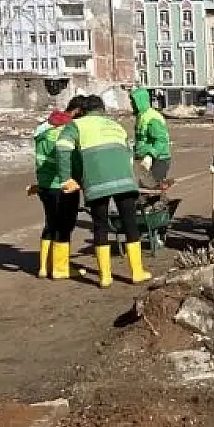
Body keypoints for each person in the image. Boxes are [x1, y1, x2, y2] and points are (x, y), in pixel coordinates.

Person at [56, 95, 150, 288]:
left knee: (100, 226)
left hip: (97, 182)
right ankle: (137, 272)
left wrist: (67, 178)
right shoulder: (116, 126)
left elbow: (62, 147)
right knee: (130, 224)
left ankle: (105, 277)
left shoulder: (77, 125)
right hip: (124, 180)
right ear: (102, 110)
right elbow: (128, 154)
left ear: (84, 111)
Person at [29, 95, 88, 279]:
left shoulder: (43, 131)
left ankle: (44, 267)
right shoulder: (65, 132)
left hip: (44, 184)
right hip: (63, 186)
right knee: (64, 226)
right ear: (78, 112)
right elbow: (71, 161)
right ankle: (60, 268)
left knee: (50, 224)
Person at [129, 88, 172, 184]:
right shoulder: (141, 117)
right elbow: (141, 139)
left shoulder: (152, 118)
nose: (131, 104)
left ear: (139, 101)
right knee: (144, 188)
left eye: (133, 101)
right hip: (144, 159)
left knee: (152, 188)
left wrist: (150, 155)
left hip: (158, 159)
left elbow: (161, 140)